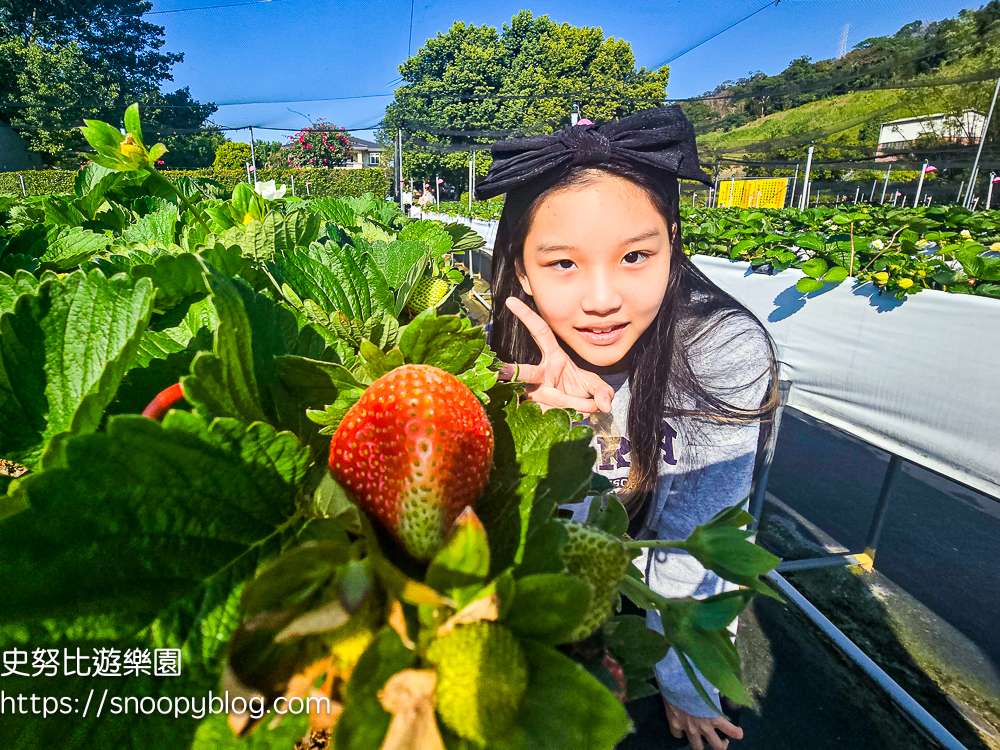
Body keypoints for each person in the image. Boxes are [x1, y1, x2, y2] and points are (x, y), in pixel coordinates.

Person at [475, 107, 778, 750]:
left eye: (636, 255)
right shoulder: (492, 350)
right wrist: (526, 430)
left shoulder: (719, 349)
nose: (603, 298)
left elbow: (696, 532)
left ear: (673, 244)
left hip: (632, 580)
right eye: (563, 264)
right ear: (523, 271)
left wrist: (686, 685)